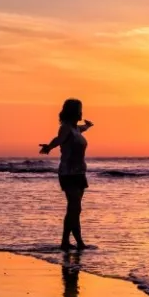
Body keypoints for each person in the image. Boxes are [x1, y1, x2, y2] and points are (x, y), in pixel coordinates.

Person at [39, 98, 93, 251]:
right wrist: (49, 147)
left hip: (80, 172)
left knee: (76, 209)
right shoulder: (66, 128)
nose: (81, 113)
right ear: (72, 112)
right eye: (79, 110)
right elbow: (59, 139)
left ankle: (71, 242)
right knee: (74, 207)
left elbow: (82, 128)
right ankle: (75, 242)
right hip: (68, 172)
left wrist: (88, 126)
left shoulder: (76, 129)